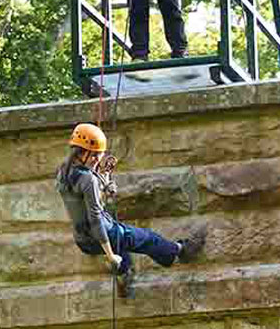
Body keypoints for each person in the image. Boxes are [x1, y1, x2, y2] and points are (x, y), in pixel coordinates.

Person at [56, 122, 204, 297]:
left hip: (83, 241)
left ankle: (124, 275)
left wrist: (103, 186)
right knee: (148, 238)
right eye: (95, 156)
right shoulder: (88, 179)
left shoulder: (63, 174)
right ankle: (180, 250)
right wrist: (110, 255)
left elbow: (83, 203)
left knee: (123, 244)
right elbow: (95, 217)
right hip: (102, 234)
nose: (97, 160)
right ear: (83, 152)